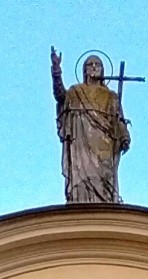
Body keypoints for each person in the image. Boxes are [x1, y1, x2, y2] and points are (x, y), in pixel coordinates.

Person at [51, 49, 128, 204]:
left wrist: (124, 135)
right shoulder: (75, 92)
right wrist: (56, 72)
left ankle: (105, 204)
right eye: (90, 65)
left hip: (102, 143)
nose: (94, 67)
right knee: (82, 177)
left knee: (104, 178)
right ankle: (80, 203)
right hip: (80, 140)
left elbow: (118, 119)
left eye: (97, 64)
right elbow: (60, 96)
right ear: (84, 70)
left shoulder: (111, 96)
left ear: (103, 69)